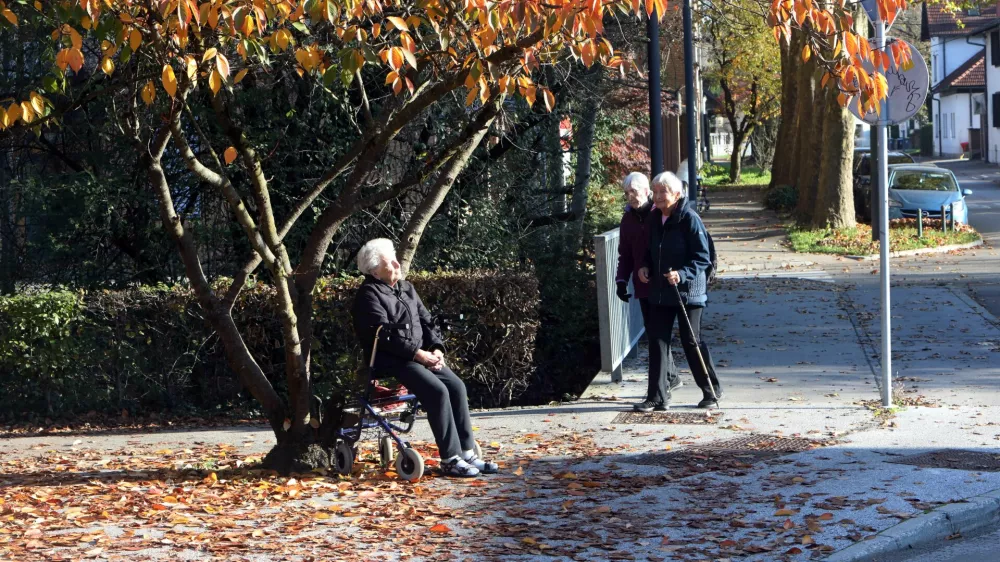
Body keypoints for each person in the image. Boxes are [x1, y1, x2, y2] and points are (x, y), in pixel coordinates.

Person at [351, 238, 499, 477]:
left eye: (395, 258)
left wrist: (437, 349)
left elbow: (427, 321)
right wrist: (418, 355)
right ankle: (450, 459)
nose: (397, 264)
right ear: (375, 271)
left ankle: (467, 452)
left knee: (457, 387)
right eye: (390, 261)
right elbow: (383, 335)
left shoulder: (407, 288)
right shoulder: (368, 295)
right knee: (437, 391)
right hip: (392, 359)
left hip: (420, 355)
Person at [637, 172, 723, 411]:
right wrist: (645, 266)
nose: (657, 196)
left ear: (676, 194)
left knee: (691, 341)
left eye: (661, 191)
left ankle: (711, 390)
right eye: (654, 192)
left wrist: (682, 274)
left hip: (688, 292)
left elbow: (703, 258)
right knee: (657, 341)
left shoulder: (689, 218)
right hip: (660, 290)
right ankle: (656, 396)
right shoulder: (654, 218)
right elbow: (649, 249)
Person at [615, 172, 682, 411]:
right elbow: (625, 253)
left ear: (647, 191)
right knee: (655, 336)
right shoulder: (628, 220)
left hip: (662, 284)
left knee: (657, 337)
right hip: (643, 286)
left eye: (634, 191)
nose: (630, 196)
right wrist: (621, 281)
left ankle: (660, 392)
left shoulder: (659, 214)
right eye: (627, 193)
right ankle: (670, 379)